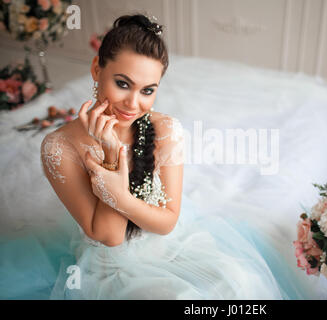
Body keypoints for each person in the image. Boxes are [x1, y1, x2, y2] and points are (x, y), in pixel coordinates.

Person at [23, 13, 306, 300]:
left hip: (172, 246)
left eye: (147, 91)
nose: (133, 104)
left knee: (238, 284)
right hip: (112, 267)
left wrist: (121, 197)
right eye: (122, 83)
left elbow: (168, 222)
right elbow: (111, 237)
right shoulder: (58, 147)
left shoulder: (165, 129)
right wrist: (110, 152)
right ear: (97, 69)